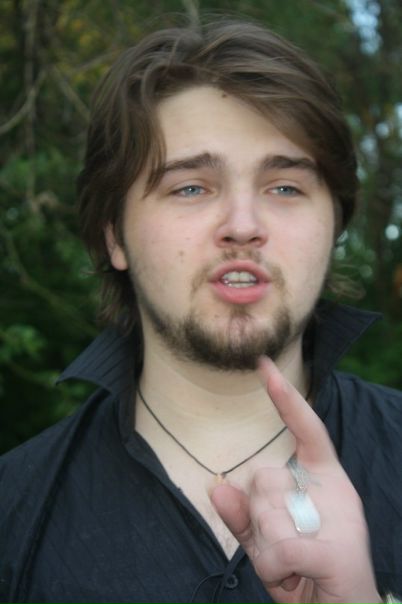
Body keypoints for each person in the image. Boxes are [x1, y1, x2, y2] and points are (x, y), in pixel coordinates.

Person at [1, 16, 401, 604]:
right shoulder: (13, 513)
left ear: (334, 224)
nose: (243, 225)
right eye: (190, 187)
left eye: (285, 187)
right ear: (114, 236)